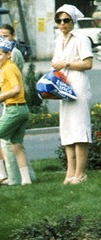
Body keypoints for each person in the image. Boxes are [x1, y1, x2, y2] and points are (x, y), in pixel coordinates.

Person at [0, 23, 31, 186]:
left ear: (8, 54)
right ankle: (26, 180)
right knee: (16, 145)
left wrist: (2, 96)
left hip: (14, 109)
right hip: (22, 109)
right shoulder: (8, 66)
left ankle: (1, 174)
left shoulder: (9, 67)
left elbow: (16, 88)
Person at [52, 4, 93, 185]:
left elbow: (88, 64)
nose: (62, 24)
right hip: (63, 85)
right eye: (59, 20)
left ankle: (80, 172)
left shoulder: (81, 38)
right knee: (67, 129)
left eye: (66, 20)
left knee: (79, 128)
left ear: (73, 21)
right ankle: (70, 172)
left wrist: (66, 64)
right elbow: (55, 63)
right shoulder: (58, 40)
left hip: (77, 83)